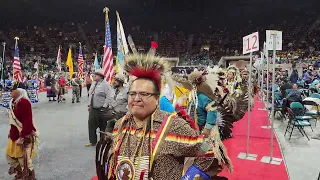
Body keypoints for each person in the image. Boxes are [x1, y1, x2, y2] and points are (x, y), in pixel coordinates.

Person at [97, 54, 230, 180]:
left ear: (156, 98)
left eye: (143, 94)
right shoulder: (120, 124)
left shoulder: (173, 125)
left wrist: (190, 177)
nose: (136, 98)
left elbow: (207, 152)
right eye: (132, 94)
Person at [6, 82, 38, 180]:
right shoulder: (13, 102)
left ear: (19, 91)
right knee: (10, 157)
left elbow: (27, 122)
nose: (10, 91)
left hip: (23, 135)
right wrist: (10, 131)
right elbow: (13, 121)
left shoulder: (24, 102)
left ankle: (29, 176)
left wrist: (22, 137)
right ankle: (20, 173)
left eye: (12, 89)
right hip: (14, 135)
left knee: (23, 159)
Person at [86, 69, 115, 147]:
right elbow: (91, 94)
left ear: (101, 76)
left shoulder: (105, 84)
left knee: (103, 125)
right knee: (91, 124)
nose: (94, 76)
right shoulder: (94, 83)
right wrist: (89, 105)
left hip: (101, 109)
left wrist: (104, 106)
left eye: (96, 75)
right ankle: (92, 141)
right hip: (93, 108)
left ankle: (103, 141)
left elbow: (109, 96)